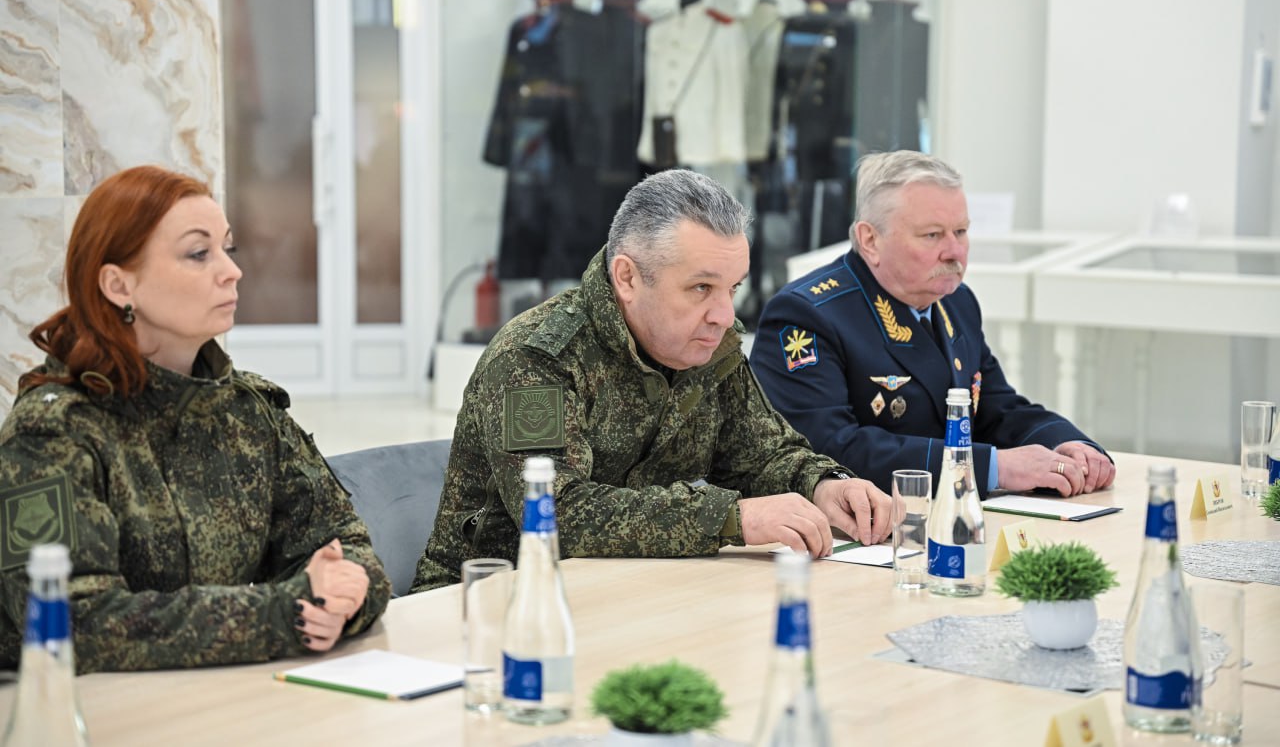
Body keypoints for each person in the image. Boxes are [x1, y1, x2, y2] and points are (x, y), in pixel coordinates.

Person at [412, 169, 891, 592]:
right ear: (627, 278)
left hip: (635, 590)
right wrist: (732, 518)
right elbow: (559, 514)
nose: (724, 315)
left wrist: (823, 485)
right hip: (492, 603)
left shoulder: (710, 346)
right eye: (701, 288)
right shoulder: (537, 359)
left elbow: (763, 454)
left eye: (733, 288)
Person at [0, 166, 391, 673]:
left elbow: (344, 547)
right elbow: (73, 622)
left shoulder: (249, 410)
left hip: (217, 703)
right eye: (198, 253)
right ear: (119, 284)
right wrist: (282, 613)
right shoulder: (53, 433)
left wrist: (345, 599)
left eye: (227, 248)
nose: (231, 271)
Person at [750, 151, 1114, 500]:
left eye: (961, 231)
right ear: (870, 240)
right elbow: (827, 450)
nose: (954, 251)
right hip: (854, 538)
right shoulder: (807, 315)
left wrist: (1067, 444)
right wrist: (993, 468)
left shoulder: (957, 302)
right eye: (932, 235)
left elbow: (992, 406)